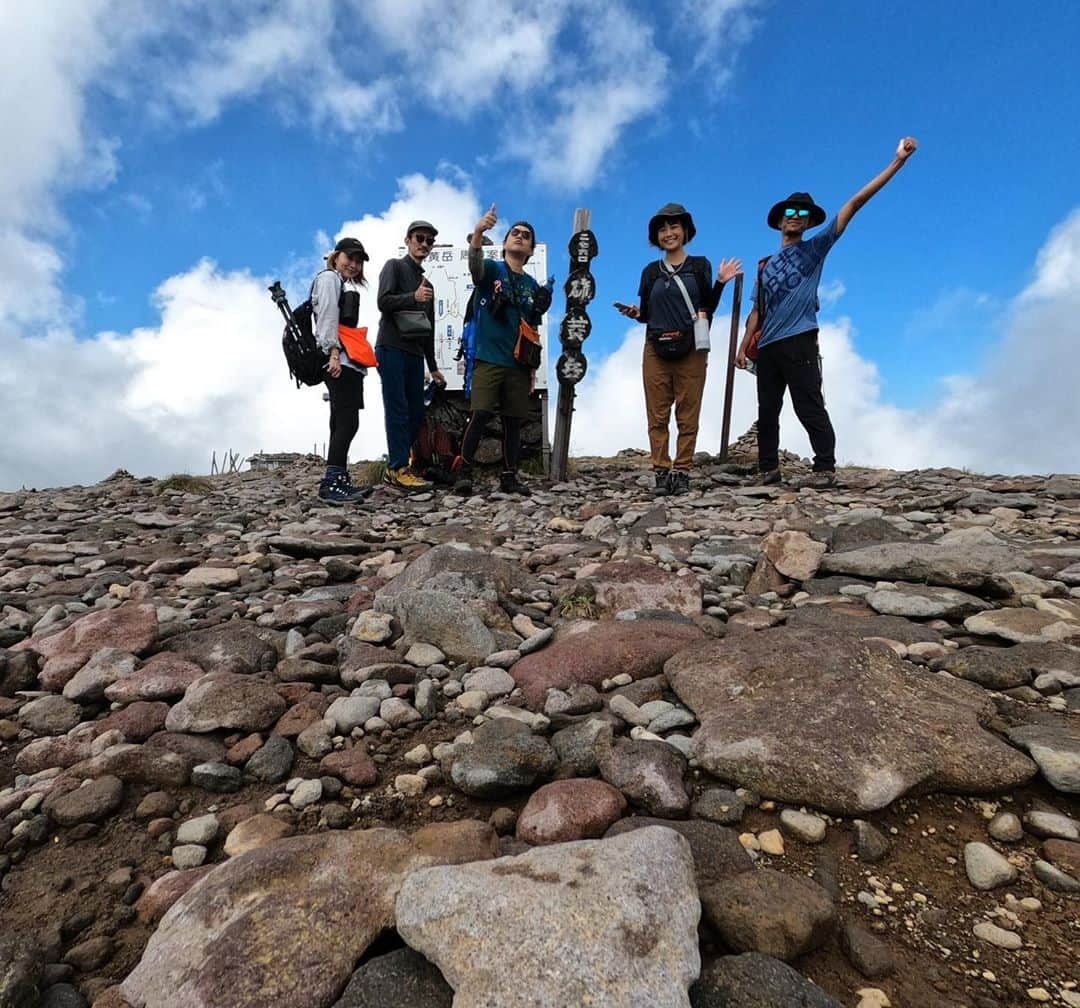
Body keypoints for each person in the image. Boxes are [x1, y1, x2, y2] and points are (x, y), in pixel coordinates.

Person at [736, 137, 919, 488]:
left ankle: (824, 468)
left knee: (808, 405)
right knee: (767, 412)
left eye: (802, 214)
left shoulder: (815, 248)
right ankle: (768, 470)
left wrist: (897, 162)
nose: (795, 218)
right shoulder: (764, 265)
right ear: (779, 221)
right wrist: (743, 346)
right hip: (769, 346)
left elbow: (854, 203)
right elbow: (758, 310)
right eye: (789, 213)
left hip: (801, 338)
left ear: (808, 223)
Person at [617, 202, 741, 496]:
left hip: (692, 347)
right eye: (662, 228)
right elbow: (648, 312)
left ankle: (682, 471)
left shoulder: (700, 266)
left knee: (688, 413)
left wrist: (721, 282)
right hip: (655, 346)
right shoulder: (650, 271)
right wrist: (637, 314)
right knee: (657, 414)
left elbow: (706, 308)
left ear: (686, 231)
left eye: (674, 227)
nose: (668, 233)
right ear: (656, 236)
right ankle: (661, 471)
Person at [451, 205, 552, 497]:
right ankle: (463, 472)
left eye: (526, 236)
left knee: (512, 421)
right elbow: (475, 266)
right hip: (488, 357)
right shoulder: (493, 269)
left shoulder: (532, 286)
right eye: (515, 233)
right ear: (506, 241)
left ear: (532, 249)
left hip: (518, 363)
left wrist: (532, 369)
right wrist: (480, 232)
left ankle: (510, 476)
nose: (520, 237)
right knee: (479, 414)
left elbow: (532, 328)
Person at [376, 220, 445, 491]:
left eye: (429, 241)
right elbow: (383, 302)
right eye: (419, 238)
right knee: (397, 409)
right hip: (391, 346)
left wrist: (434, 366)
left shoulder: (427, 284)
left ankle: (396, 466)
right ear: (408, 239)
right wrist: (412, 297)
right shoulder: (394, 266)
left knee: (416, 410)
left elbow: (429, 328)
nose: (424, 244)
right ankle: (397, 467)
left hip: (415, 353)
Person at [314, 237, 374, 504]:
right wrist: (334, 353)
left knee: (341, 419)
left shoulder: (336, 281)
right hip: (340, 360)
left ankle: (338, 479)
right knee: (348, 420)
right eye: (349, 258)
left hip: (344, 361)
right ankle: (333, 482)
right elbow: (327, 316)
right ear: (336, 256)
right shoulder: (329, 279)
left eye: (358, 261)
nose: (354, 264)